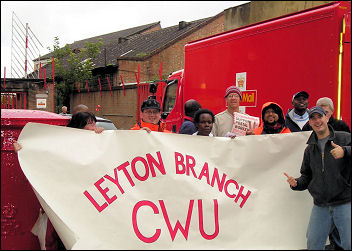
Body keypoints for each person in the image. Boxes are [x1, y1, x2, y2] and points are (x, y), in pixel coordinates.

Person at [283, 106, 351, 250]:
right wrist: (296, 183)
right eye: (313, 118)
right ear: (310, 122)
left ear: (326, 118)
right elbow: (306, 176)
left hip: (344, 202)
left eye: (319, 117)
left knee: (349, 244)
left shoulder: (343, 137)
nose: (317, 121)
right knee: (313, 244)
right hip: (321, 205)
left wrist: (344, 151)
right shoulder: (309, 149)